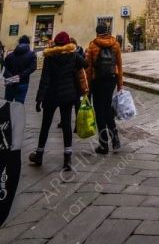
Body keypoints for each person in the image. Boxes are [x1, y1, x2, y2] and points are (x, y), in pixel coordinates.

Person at [29, 31, 87, 171]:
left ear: (55, 42)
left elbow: (45, 78)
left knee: (45, 125)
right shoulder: (73, 55)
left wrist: (39, 99)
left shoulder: (50, 56)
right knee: (66, 125)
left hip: (51, 95)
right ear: (68, 43)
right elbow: (85, 64)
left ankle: (39, 154)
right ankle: (67, 159)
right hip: (68, 96)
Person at [86, 22, 123, 154]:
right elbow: (119, 65)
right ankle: (116, 140)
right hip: (111, 80)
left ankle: (104, 144)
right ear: (107, 31)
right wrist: (119, 84)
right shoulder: (116, 44)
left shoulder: (92, 46)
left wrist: (87, 87)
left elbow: (89, 69)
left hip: (98, 82)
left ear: (97, 32)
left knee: (99, 112)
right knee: (108, 109)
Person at [3, 35, 37, 103]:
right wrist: (19, 77)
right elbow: (32, 68)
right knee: (19, 105)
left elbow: (4, 69)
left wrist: (12, 78)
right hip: (23, 82)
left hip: (10, 82)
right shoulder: (32, 55)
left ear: (19, 43)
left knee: (8, 103)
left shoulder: (10, 55)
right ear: (28, 43)